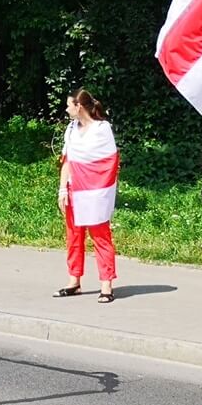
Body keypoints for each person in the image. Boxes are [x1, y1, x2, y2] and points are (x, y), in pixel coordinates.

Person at [56, 89, 119, 299]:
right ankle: (74, 280)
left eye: (69, 105)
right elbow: (68, 159)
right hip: (74, 190)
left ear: (79, 106)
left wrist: (96, 187)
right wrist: (63, 188)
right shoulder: (71, 128)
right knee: (74, 236)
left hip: (95, 192)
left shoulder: (102, 129)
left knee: (100, 237)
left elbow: (109, 162)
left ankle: (106, 285)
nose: (66, 109)